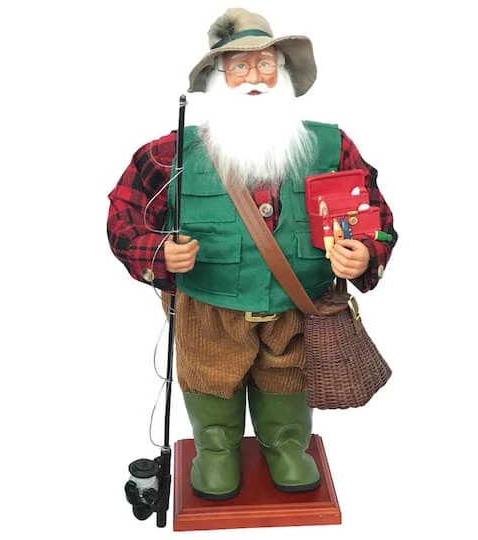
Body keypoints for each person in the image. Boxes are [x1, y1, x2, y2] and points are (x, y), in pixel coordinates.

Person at [107, 7, 397, 501]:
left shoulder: (332, 146)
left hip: (297, 308)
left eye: (265, 64)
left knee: (287, 380)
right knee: (209, 379)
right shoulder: (170, 154)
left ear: (283, 73)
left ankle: (285, 444)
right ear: (217, 78)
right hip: (208, 311)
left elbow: (378, 218)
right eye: (239, 66)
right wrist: (158, 253)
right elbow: (124, 216)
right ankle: (215, 448)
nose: (254, 77)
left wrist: (365, 254)